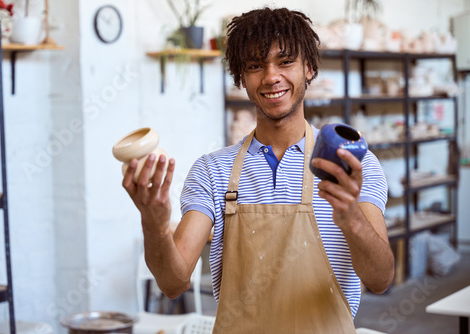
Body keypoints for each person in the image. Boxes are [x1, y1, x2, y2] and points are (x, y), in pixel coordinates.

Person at [123, 7, 394, 333]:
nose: (270, 77)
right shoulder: (213, 171)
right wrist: (154, 223)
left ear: (308, 68)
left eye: (285, 61)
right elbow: (173, 282)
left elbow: (380, 279)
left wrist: (352, 217)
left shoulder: (350, 165)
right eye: (255, 65)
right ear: (241, 78)